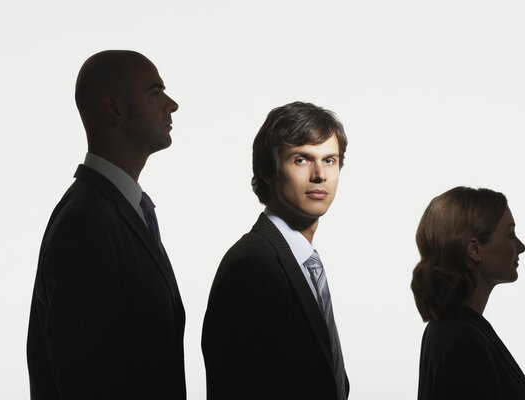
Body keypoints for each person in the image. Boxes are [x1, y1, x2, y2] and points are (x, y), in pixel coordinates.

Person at [26, 50, 186, 399]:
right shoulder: (86, 223)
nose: (172, 104)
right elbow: (86, 381)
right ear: (114, 109)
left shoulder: (119, 211)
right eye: (155, 92)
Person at [202, 101, 350, 400]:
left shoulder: (302, 259)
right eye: (301, 160)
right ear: (269, 171)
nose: (320, 174)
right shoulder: (253, 266)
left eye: (330, 160)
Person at [411, 186, 525, 400]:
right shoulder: (463, 341)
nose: (521, 246)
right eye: (510, 234)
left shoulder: (452, 330)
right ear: (475, 249)